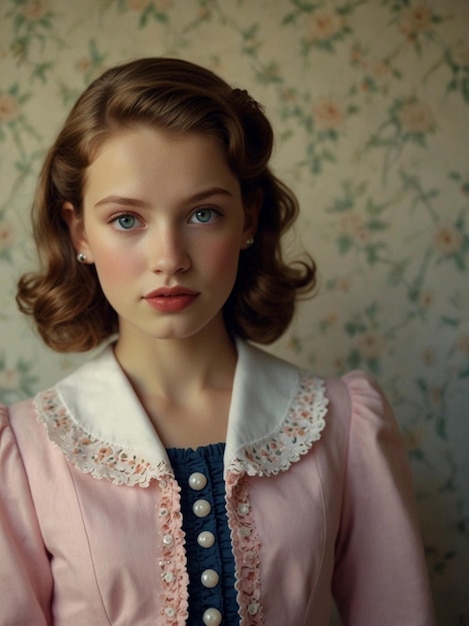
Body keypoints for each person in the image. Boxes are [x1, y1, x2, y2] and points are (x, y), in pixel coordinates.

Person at [0, 57, 435, 626]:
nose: (169, 260)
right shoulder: (27, 456)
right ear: (80, 231)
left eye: (203, 213)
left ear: (248, 217)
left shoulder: (344, 424)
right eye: (127, 220)